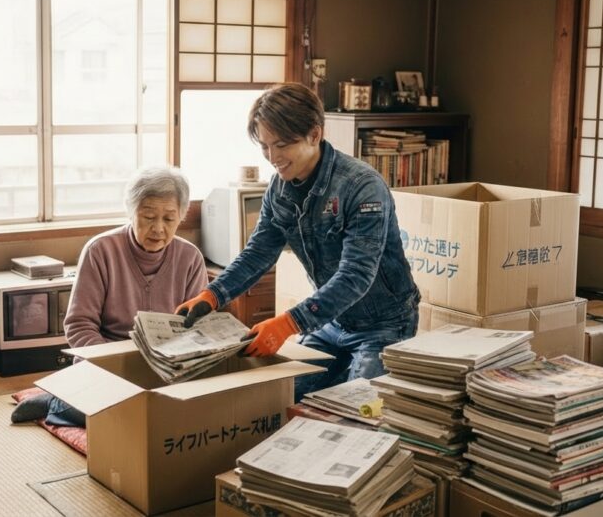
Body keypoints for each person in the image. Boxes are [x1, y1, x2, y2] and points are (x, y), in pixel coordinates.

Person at [175, 83, 420, 400]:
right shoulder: (279, 189)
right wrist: (212, 294)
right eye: (264, 146)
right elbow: (258, 253)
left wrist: (288, 323)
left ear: (314, 135)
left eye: (282, 145)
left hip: (385, 325)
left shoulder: (362, 186)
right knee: (281, 399)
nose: (272, 157)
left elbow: (356, 275)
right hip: (331, 322)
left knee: (359, 409)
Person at [12, 166, 208, 425]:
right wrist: (115, 364)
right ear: (131, 211)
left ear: (182, 216)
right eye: (148, 216)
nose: (158, 228)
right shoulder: (100, 250)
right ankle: (57, 402)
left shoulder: (190, 257)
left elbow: (198, 328)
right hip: (107, 366)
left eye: (169, 219)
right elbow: (79, 324)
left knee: (186, 413)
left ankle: (65, 399)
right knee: (116, 415)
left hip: (166, 366)